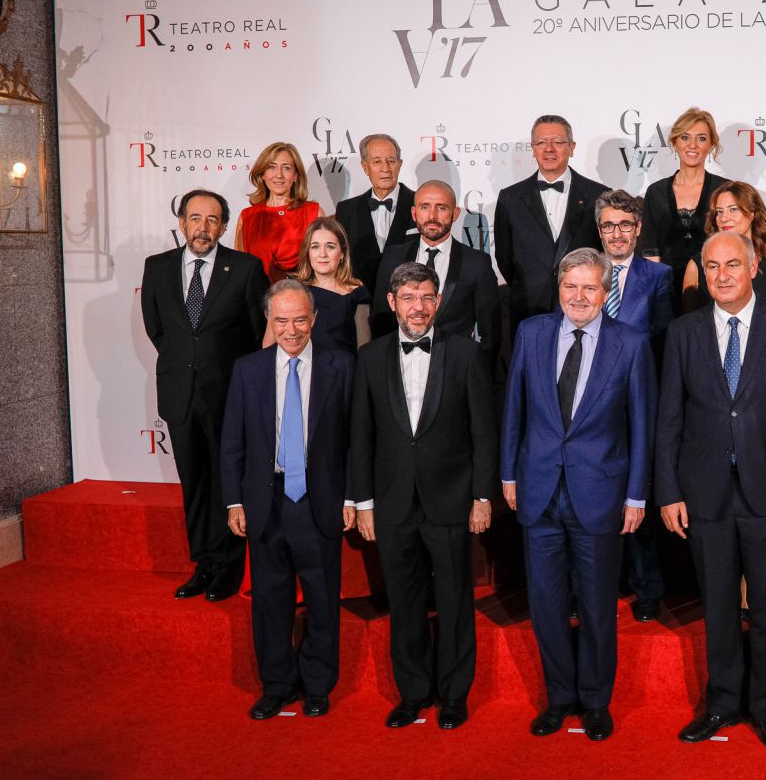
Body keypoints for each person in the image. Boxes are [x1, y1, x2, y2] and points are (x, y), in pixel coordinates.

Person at [656, 231, 766, 753]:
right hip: (704, 493)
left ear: (753, 267)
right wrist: (668, 491)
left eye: (732, 264)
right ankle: (723, 702)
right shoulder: (682, 332)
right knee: (720, 606)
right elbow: (669, 420)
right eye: (712, 266)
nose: (722, 275)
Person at [501, 248, 655, 741]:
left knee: (595, 605)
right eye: (571, 286)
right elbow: (514, 409)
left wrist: (636, 496)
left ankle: (594, 702)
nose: (579, 297)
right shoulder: (531, 333)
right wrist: (508, 475)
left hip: (601, 494)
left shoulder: (630, 344)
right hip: (539, 489)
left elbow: (640, 426)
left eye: (590, 288)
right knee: (546, 604)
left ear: (605, 294)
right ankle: (558, 698)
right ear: (559, 288)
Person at [351, 263, 498, 729]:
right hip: (393, 503)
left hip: (451, 500)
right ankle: (413, 693)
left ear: (439, 302)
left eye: (427, 297)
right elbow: (361, 436)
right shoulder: (371, 358)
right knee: (405, 601)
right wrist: (364, 502)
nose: (419, 307)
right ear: (392, 303)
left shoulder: (466, 354)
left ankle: (455, 695)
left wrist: (481, 497)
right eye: (409, 297)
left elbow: (483, 433)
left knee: (455, 600)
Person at [220, 280, 357, 720]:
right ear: (269, 321)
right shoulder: (248, 369)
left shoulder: (341, 366)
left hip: (320, 502)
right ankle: (277, 685)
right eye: (281, 320)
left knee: (321, 600)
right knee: (270, 602)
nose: (291, 329)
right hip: (266, 502)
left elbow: (356, 442)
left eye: (300, 319)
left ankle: (317, 685)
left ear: (314, 318)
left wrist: (353, 498)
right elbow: (232, 443)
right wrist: (233, 502)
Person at [141, 189, 267, 601]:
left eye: (212, 220)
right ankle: (205, 563)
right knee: (194, 483)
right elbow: (158, 330)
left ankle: (230, 566)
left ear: (224, 226)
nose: (203, 227)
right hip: (180, 393)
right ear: (181, 223)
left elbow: (254, 333)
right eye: (195, 218)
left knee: (227, 482)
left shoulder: (246, 268)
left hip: (229, 394)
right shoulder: (157, 268)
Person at [595, 188, 674, 622]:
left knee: (637, 492)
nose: (617, 233)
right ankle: (594, 585)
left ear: (638, 228)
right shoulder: (582, 271)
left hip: (641, 397)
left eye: (625, 225)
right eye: (608, 225)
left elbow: (663, 341)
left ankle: (647, 587)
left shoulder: (659, 277)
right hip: (590, 405)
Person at [493, 115, 608, 339]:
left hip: (583, 308)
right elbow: (505, 259)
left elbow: (603, 254)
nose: (549, 149)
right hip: (528, 309)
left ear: (572, 148)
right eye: (541, 143)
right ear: (533, 148)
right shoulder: (510, 198)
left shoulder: (598, 195)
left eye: (557, 142)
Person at [372, 180, 501, 371]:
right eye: (425, 207)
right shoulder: (393, 257)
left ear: (455, 214)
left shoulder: (476, 263)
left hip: (455, 372)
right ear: (414, 213)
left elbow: (491, 331)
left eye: (441, 207)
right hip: (400, 369)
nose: (432, 216)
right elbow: (381, 319)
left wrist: (476, 374)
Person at [636, 107, 728, 306]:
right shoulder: (656, 192)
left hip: (714, 289)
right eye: (685, 137)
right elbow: (650, 250)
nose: (692, 145)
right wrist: (656, 296)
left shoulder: (724, 190)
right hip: (666, 291)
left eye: (701, 138)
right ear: (675, 142)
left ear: (711, 144)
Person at [681, 181, 766, 312]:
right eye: (719, 212)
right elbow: (687, 328)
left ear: (752, 213)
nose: (724, 218)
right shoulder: (696, 267)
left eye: (733, 209)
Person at [265, 217, 369, 353]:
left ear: (342, 253)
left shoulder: (357, 295)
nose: (322, 254)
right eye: (315, 247)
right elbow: (268, 347)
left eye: (330, 247)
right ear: (307, 252)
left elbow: (364, 351)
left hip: (341, 373)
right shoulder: (287, 290)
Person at [334, 134, 415, 299]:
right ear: (365, 167)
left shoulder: (421, 204)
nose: (385, 168)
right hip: (360, 305)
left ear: (399, 165)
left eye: (391, 161)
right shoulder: (346, 210)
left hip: (410, 304)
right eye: (377, 161)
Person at [235, 141, 323, 284]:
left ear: (296, 175)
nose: (279, 175)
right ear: (262, 174)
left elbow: (323, 267)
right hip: (260, 299)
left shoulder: (314, 213)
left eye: (286, 168)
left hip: (304, 296)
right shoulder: (248, 217)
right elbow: (241, 270)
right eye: (271, 167)